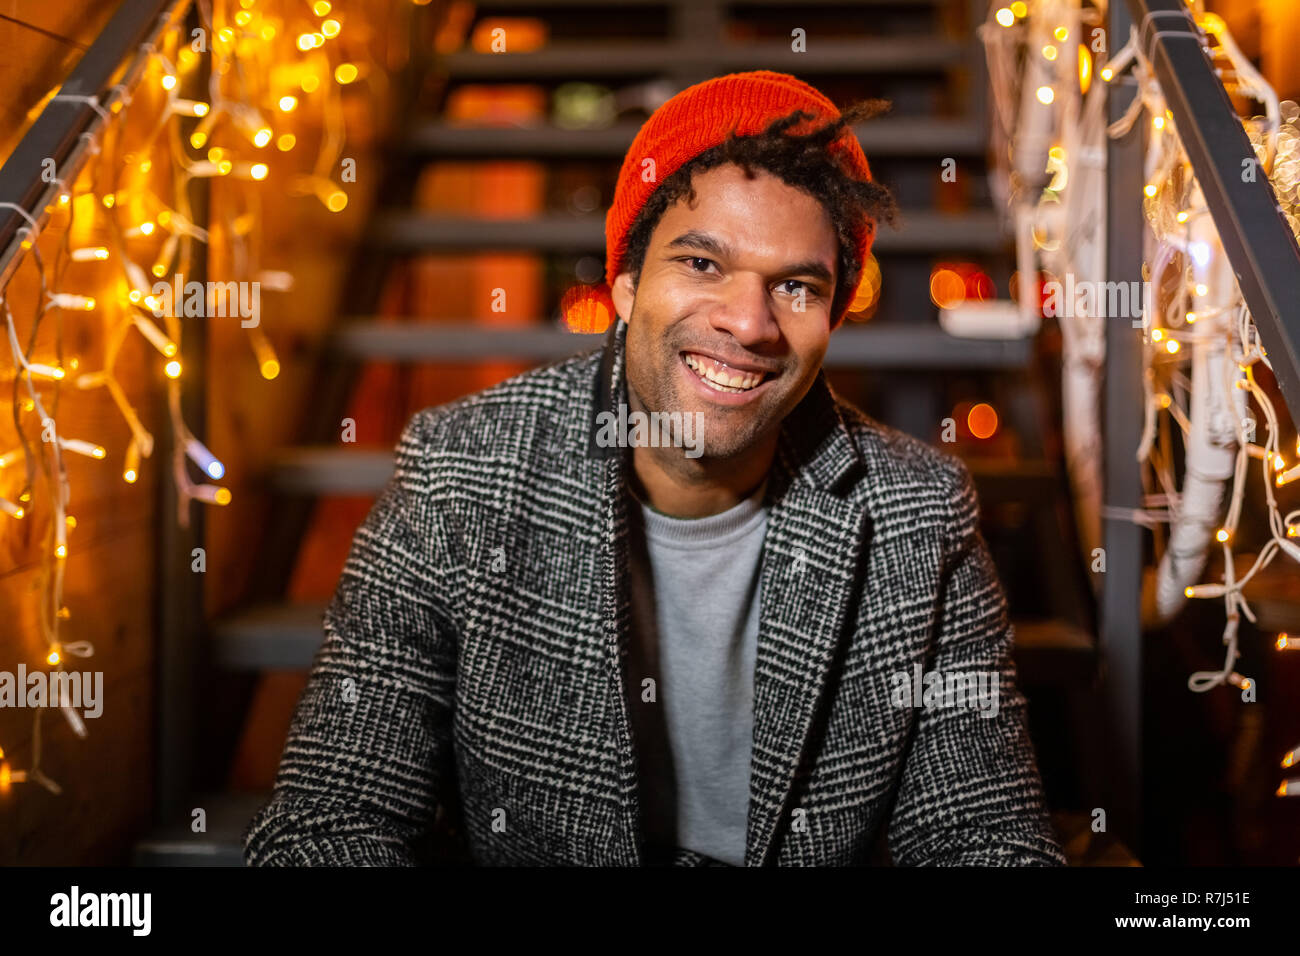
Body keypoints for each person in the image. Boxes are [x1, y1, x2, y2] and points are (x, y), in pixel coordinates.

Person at [243, 70, 1066, 866]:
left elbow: (981, 835)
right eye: (702, 264)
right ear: (629, 283)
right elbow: (330, 822)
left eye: (797, 287)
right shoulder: (460, 474)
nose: (749, 323)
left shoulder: (917, 514)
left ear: (833, 317)